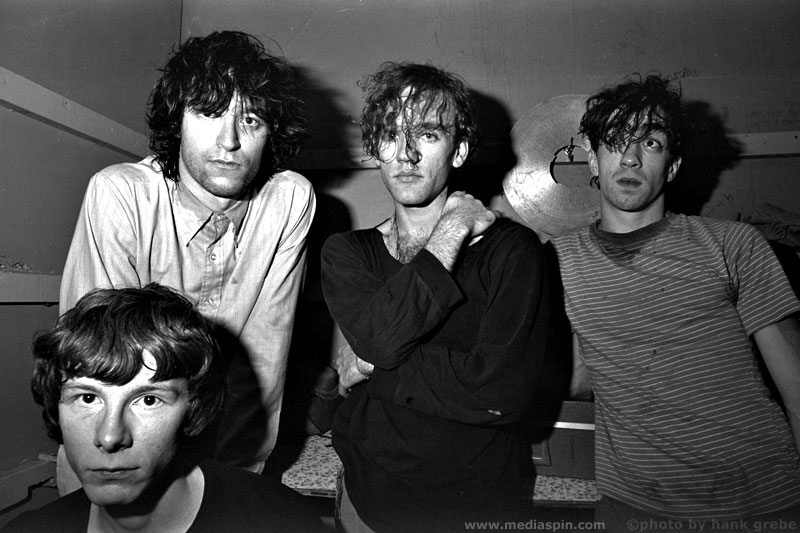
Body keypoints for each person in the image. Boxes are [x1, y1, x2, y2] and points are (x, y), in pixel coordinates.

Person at [58, 30, 315, 487]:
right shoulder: (121, 194)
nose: (229, 141)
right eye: (209, 113)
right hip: (113, 455)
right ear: (177, 120)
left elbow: (264, 360)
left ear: (270, 133)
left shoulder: (289, 200)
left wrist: (232, 487)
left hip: (222, 456)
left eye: (251, 120)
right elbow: (102, 374)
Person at [552, 74, 800, 526]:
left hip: (760, 501)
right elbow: (581, 375)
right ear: (592, 155)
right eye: (616, 140)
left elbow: (797, 386)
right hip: (634, 508)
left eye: (650, 143)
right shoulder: (559, 260)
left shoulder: (733, 244)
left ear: (672, 165)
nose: (630, 157)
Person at [320, 62, 551, 531]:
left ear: (459, 150)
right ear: (375, 150)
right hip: (369, 501)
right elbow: (382, 340)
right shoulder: (347, 252)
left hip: (478, 506)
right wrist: (452, 228)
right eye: (390, 135)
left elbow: (499, 394)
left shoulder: (514, 251)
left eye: (426, 134)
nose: (406, 154)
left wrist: (369, 365)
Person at [2, 284, 324, 532]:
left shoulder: (282, 521)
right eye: (88, 398)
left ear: (193, 409)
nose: (110, 437)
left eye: (148, 400)